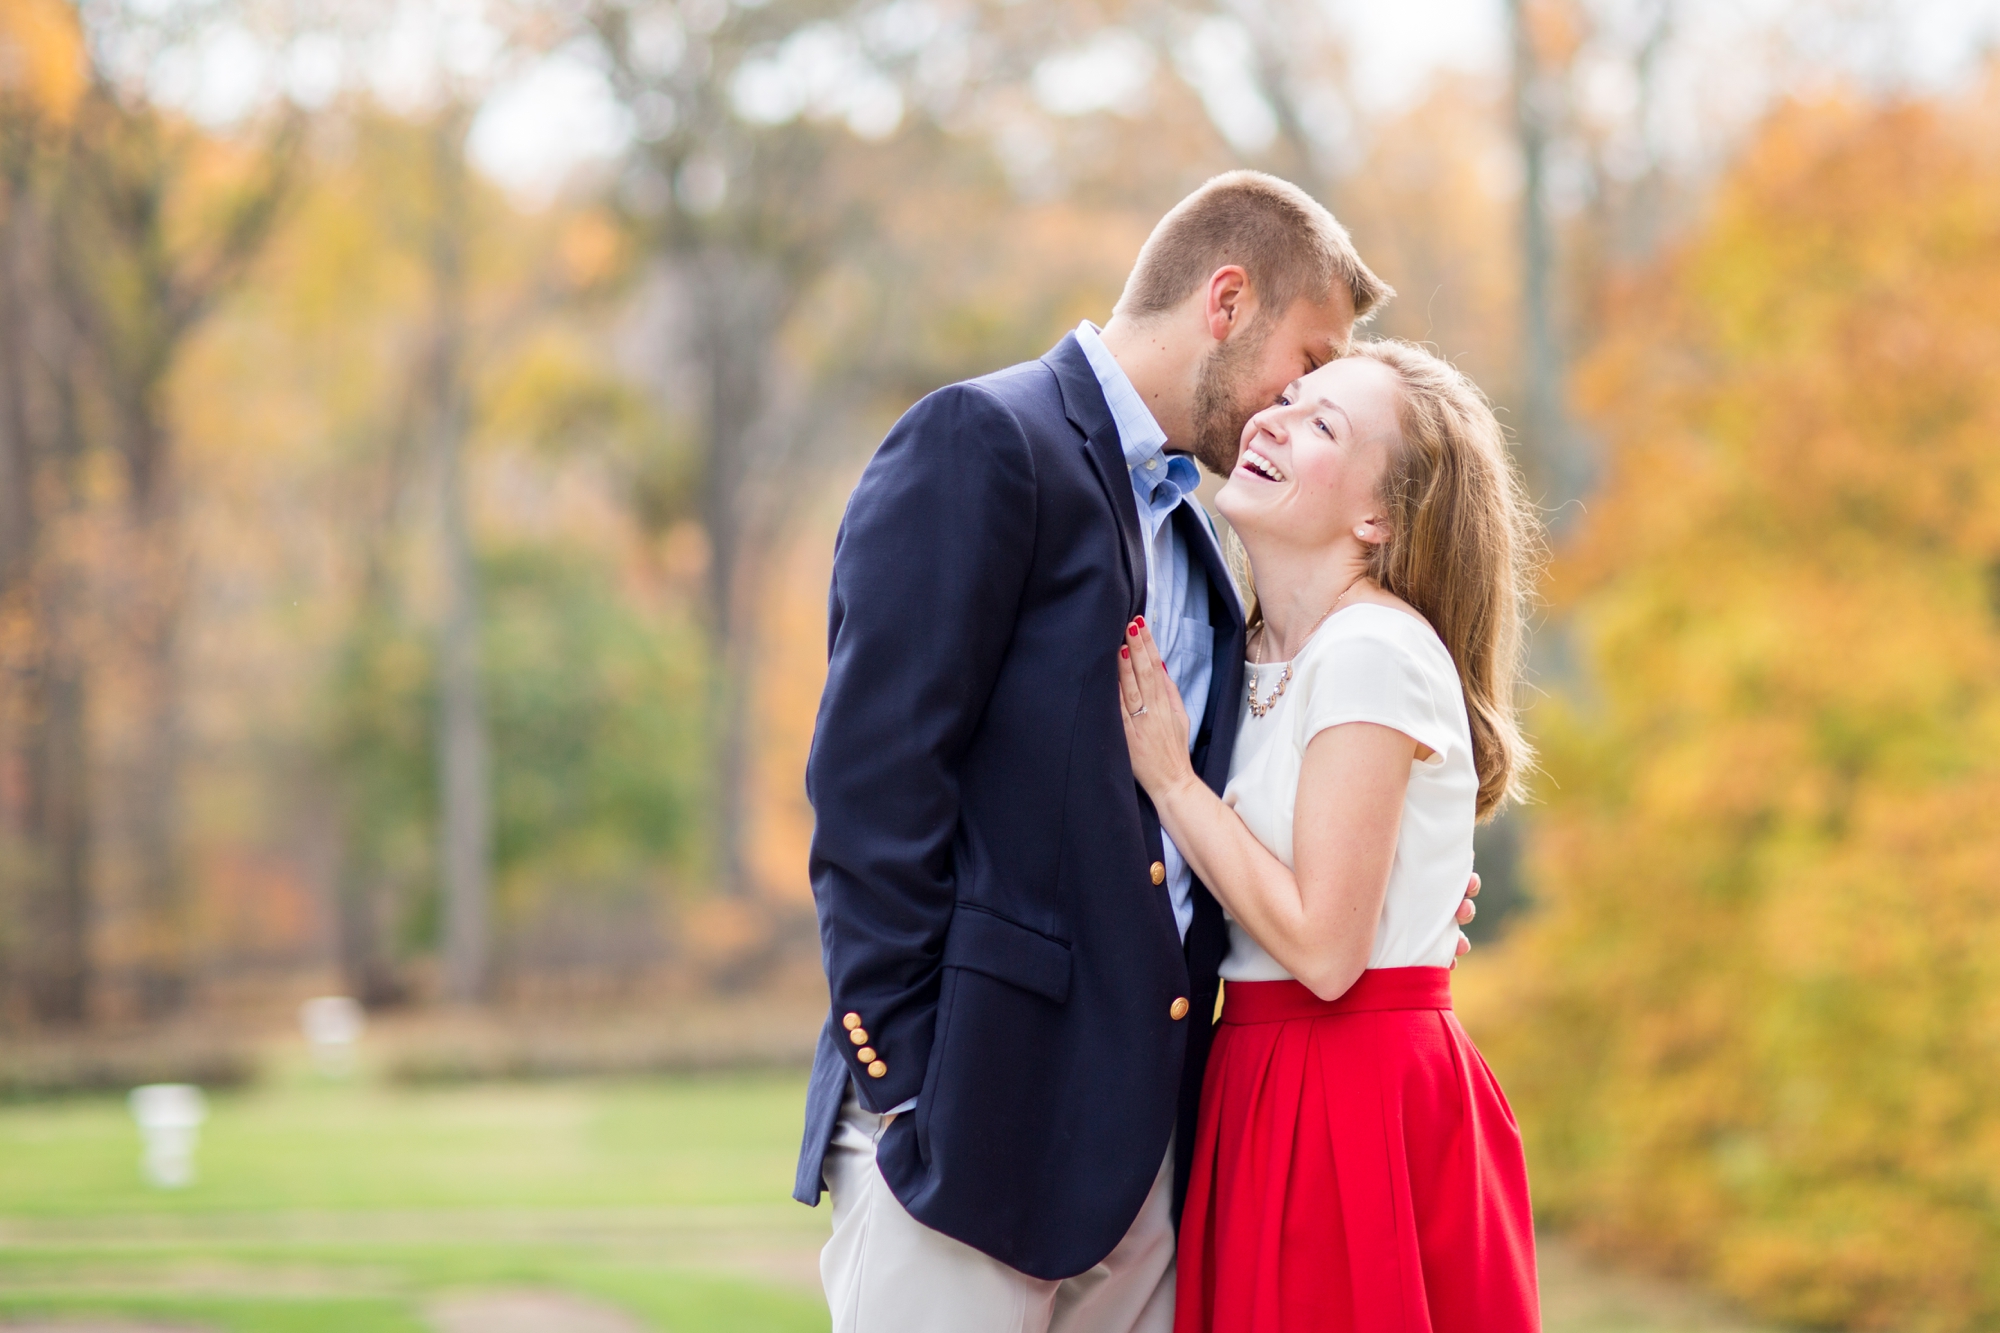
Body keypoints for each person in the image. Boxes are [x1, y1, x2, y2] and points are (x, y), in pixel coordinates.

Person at [795, 171, 1482, 1333]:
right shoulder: (987, 440)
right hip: (967, 1137)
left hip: (1154, 1162)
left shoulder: (1212, 554)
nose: (1290, 402)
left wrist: (1400, 892)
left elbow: (1223, 816)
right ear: (1226, 302)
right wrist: (905, 1081)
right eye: (1305, 362)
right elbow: (871, 790)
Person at [1116, 339, 1541, 1333]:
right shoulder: (1255, 647)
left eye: (1322, 426)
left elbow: (1322, 948)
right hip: (1259, 1078)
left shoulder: (1368, 650)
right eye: (1290, 399)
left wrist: (1173, 782)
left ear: (1376, 518)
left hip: (1349, 1099)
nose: (1271, 419)